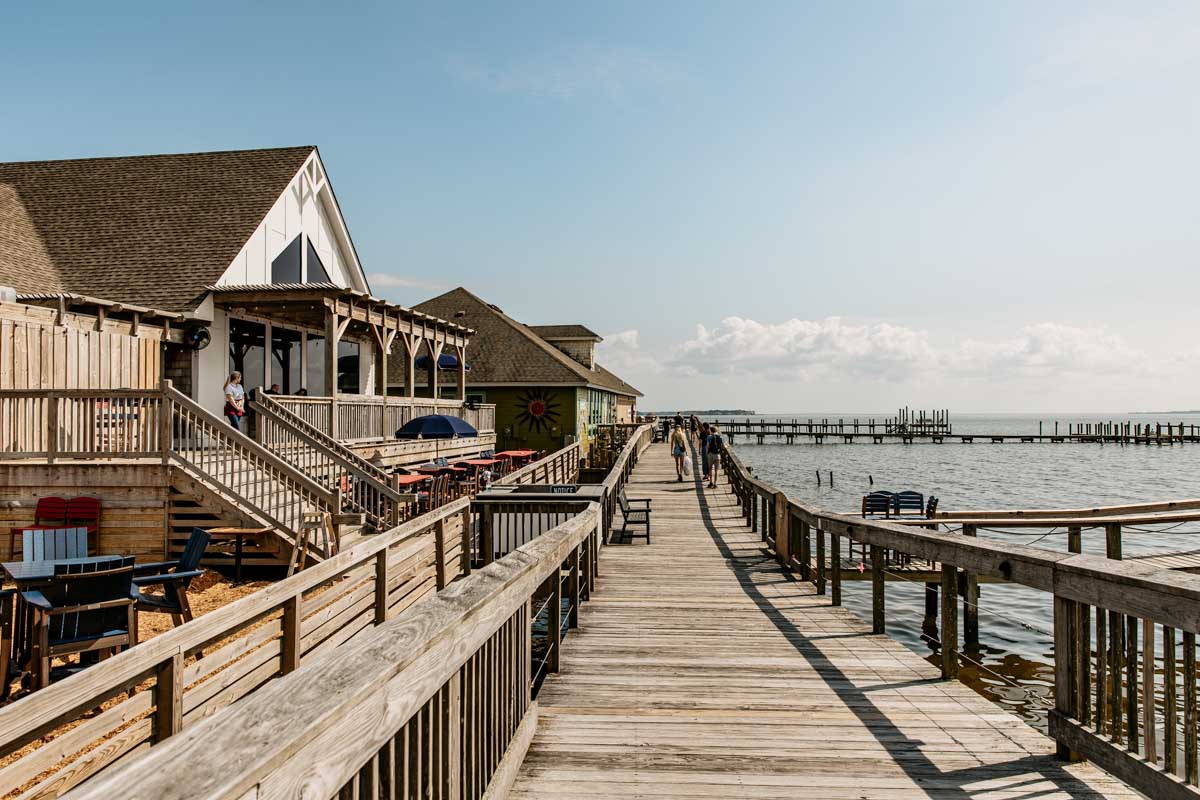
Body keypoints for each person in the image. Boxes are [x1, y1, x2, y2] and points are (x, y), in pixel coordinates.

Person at [706, 424, 724, 488]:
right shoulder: (720, 437)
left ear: (711, 431)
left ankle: (711, 482)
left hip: (711, 454)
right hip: (717, 455)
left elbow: (707, 447)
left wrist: (707, 454)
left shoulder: (709, 437)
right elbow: (722, 446)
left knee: (710, 469)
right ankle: (715, 483)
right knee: (716, 470)